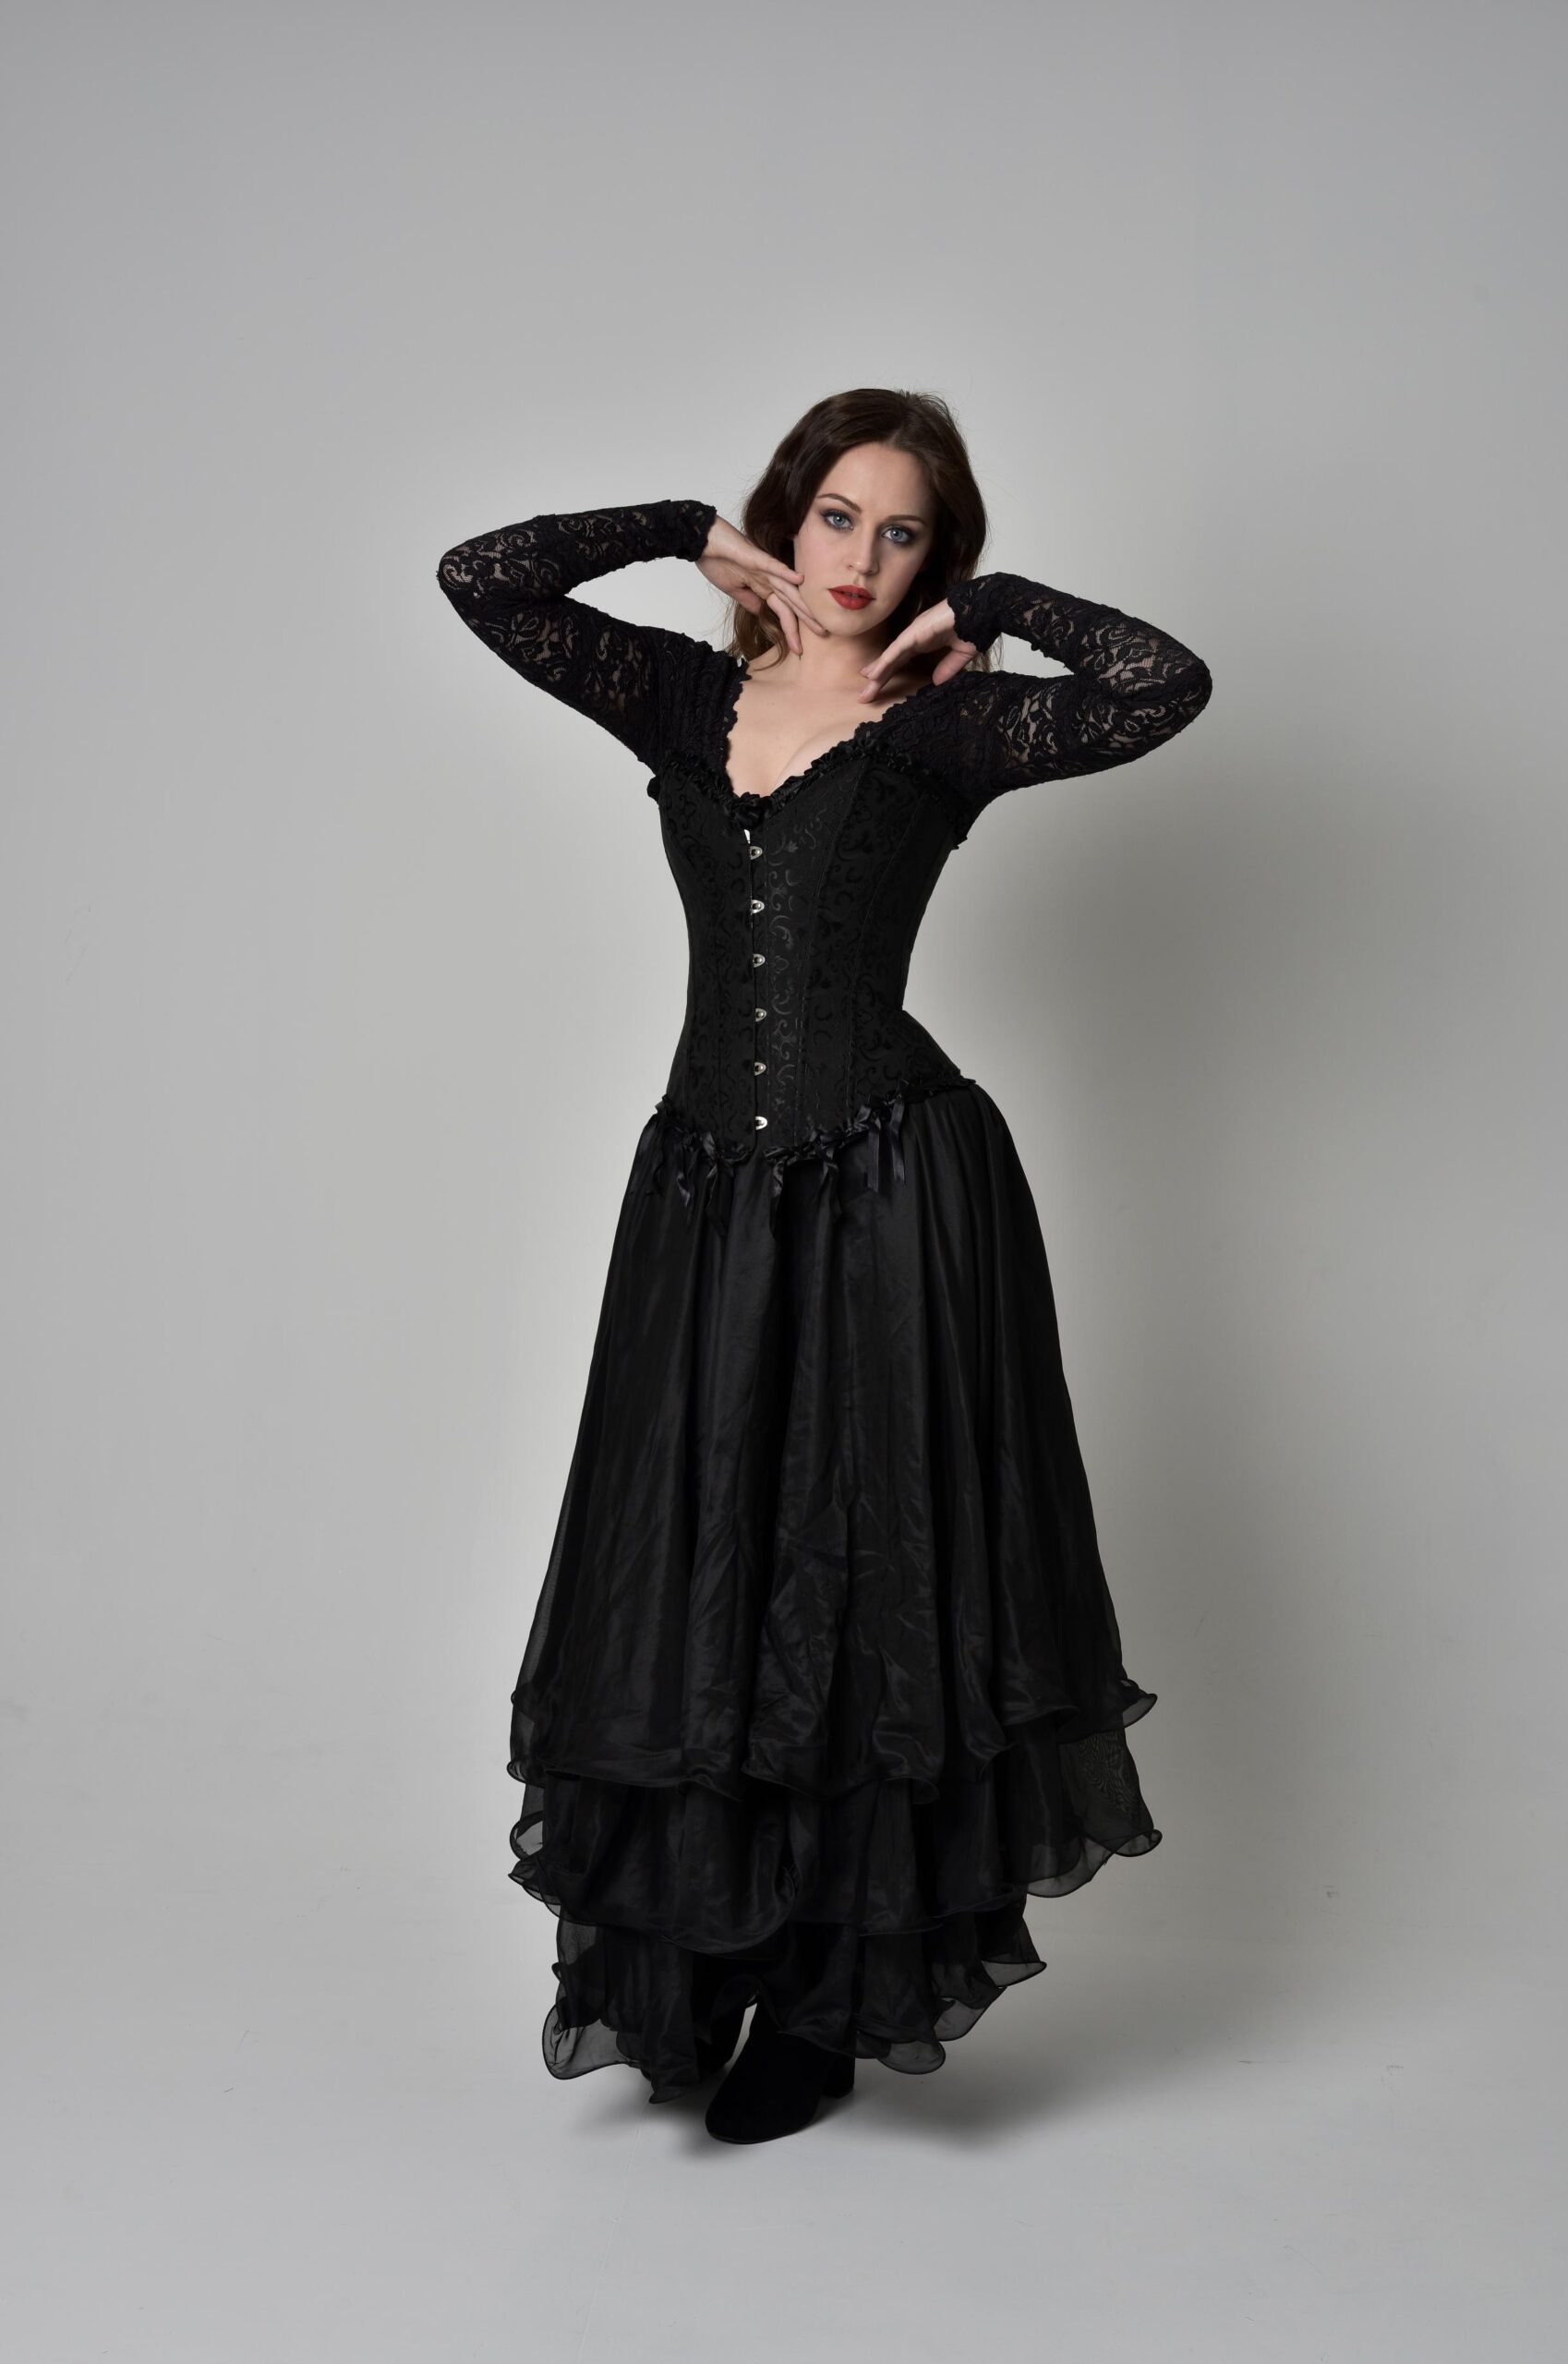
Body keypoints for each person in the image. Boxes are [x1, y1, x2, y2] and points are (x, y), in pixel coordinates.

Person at [435, 387, 1212, 2144]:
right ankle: (703, 1955)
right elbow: (481, 577)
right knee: (706, 1555)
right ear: (787, 520)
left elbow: (1163, 684)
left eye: (905, 531)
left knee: (870, 1572)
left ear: (937, 557)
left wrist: (994, 613)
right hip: (705, 1195)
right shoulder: (681, 692)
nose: (863, 559)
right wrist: (661, 525)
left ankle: (836, 1991)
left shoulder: (946, 728)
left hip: (891, 1190)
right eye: (839, 517)